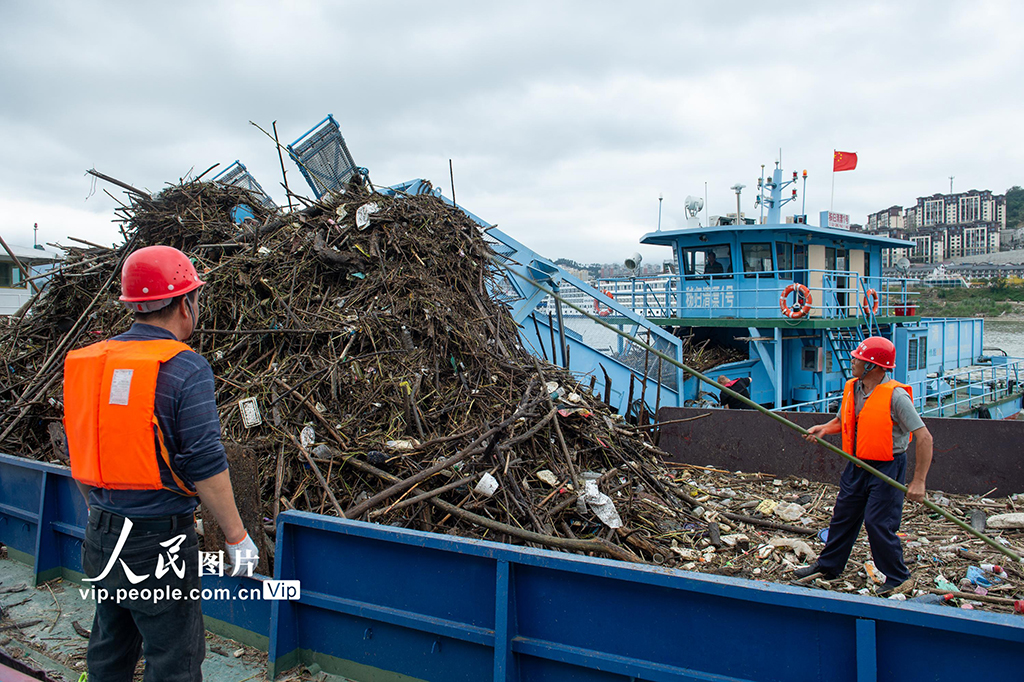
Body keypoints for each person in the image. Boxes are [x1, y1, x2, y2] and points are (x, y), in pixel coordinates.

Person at [64, 245, 259, 682]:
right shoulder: (184, 367)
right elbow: (204, 461)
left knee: (110, 650)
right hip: (158, 543)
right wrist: (236, 535)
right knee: (175, 661)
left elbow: (80, 451)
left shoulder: (89, 363)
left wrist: (101, 511)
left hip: (102, 534)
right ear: (185, 304)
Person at [795, 336, 933, 593]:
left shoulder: (896, 396)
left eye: (858, 358)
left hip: (888, 467)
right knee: (843, 516)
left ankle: (897, 577)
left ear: (873, 366)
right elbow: (843, 421)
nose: (853, 361)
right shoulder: (853, 388)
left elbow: (924, 437)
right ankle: (829, 566)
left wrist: (919, 481)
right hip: (857, 464)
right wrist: (824, 429)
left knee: (878, 522)